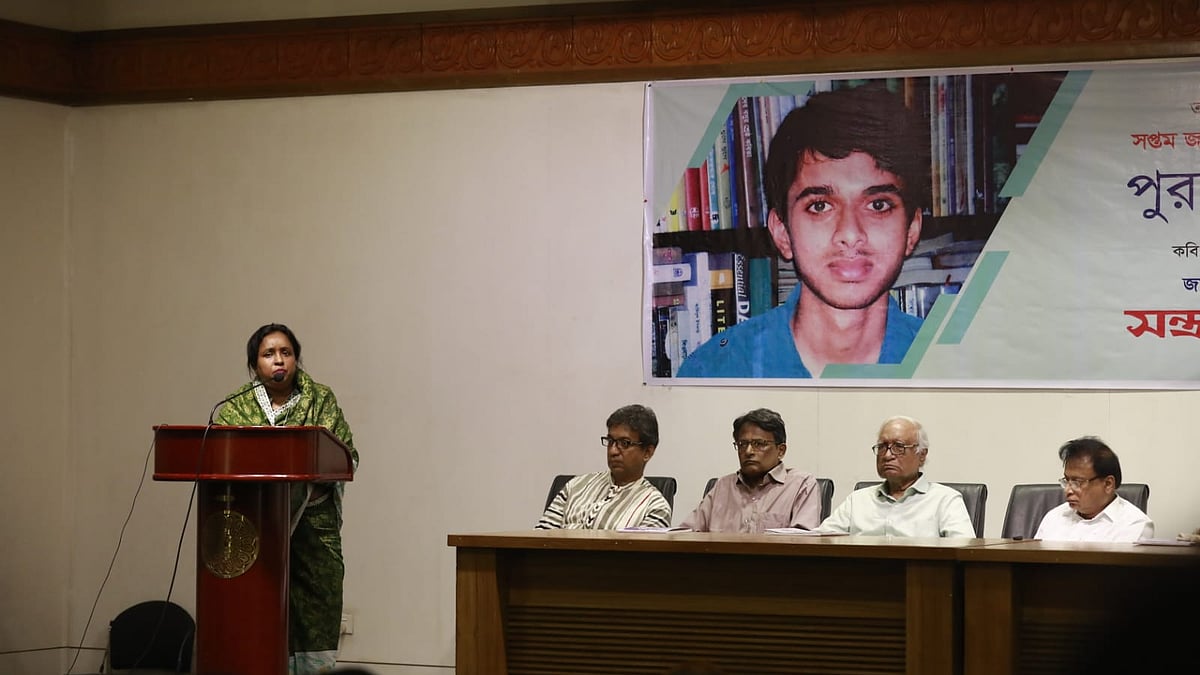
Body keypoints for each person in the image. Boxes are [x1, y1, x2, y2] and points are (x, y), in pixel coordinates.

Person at [678, 83, 929, 378]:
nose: (850, 233)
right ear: (782, 232)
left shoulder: (949, 368)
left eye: (878, 205)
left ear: (912, 229)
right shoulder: (713, 372)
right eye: (820, 206)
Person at [215, 323, 359, 675]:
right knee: (256, 606)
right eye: (268, 354)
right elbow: (220, 458)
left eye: (286, 352)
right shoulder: (236, 408)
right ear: (255, 364)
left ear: (296, 358)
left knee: (317, 603)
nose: (278, 360)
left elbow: (348, 457)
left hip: (313, 526)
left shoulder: (320, 400)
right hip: (256, 526)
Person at [818, 415, 974, 537]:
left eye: (899, 447)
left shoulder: (945, 500)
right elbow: (820, 541)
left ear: (922, 455)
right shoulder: (857, 500)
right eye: (882, 447)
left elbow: (964, 552)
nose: (887, 455)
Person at [681, 408, 821, 532]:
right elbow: (685, 534)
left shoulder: (801, 485)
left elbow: (803, 542)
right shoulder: (723, 486)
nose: (748, 451)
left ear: (781, 450)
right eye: (742, 444)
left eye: (759, 444)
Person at [536, 404, 672, 529]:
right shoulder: (575, 486)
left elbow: (635, 549)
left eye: (624, 443)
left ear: (647, 452)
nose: (613, 451)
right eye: (610, 441)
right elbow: (541, 538)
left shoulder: (655, 507)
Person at [1034, 436, 1153, 542]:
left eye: (1077, 482)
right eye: (1066, 480)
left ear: (1108, 484)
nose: (1068, 490)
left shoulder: (1134, 524)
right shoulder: (1054, 517)